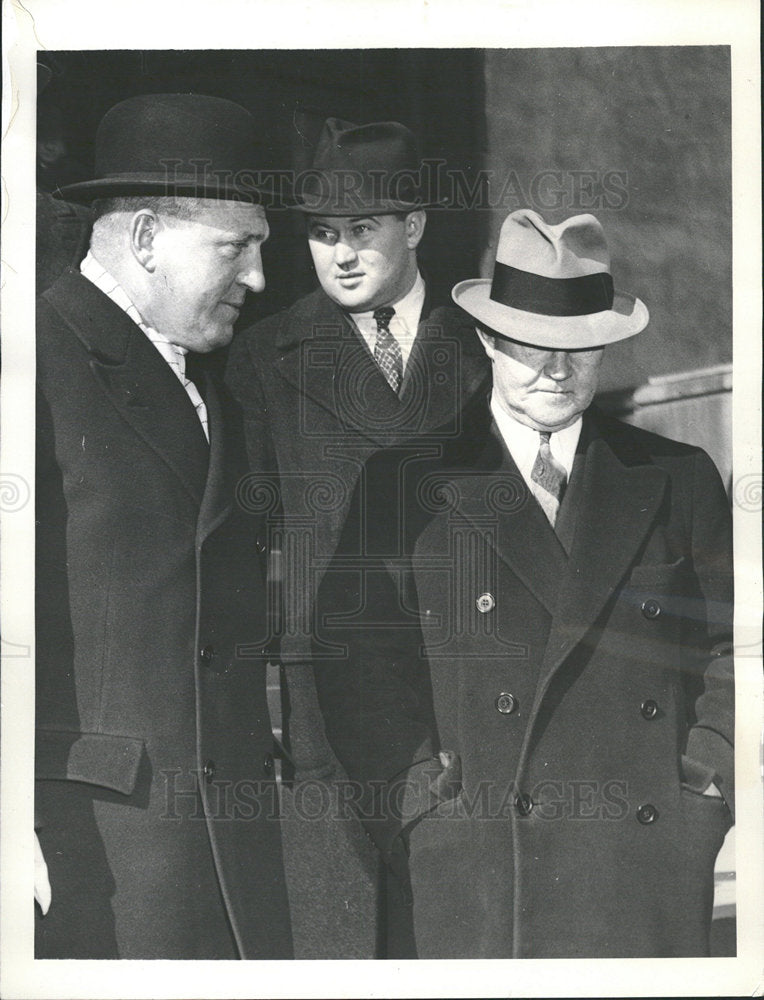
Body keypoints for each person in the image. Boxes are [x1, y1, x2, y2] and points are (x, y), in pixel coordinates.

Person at [313, 208, 734, 958]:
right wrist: (421, 813)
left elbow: (735, 649)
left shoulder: (676, 477)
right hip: (478, 872)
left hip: (644, 867)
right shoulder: (405, 486)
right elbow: (357, 670)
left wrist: (707, 782)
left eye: (580, 348)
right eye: (533, 346)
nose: (557, 371)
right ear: (487, 340)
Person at [35, 93, 293, 959]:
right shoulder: (30, 357)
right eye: (236, 246)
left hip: (222, 852)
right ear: (146, 238)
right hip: (93, 854)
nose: (259, 277)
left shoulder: (213, 380)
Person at [225, 117, 490, 956]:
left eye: (362, 229)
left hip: (468, 672)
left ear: (414, 226)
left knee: (463, 922)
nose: (339, 254)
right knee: (345, 933)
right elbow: (243, 543)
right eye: (321, 233)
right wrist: (264, 701)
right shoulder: (263, 355)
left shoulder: (488, 342)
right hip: (327, 695)